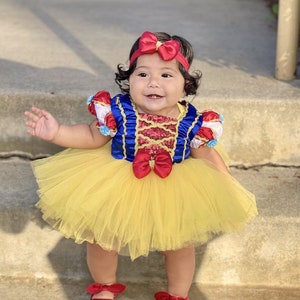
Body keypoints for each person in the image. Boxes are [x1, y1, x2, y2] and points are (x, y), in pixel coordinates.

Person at [25, 31, 257, 300]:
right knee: (102, 238)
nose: (153, 83)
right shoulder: (119, 110)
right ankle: (104, 287)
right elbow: (90, 137)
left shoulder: (193, 122)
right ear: (129, 79)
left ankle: (178, 294)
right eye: (143, 74)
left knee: (181, 244)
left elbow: (205, 155)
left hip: (174, 189)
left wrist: (226, 184)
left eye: (166, 75)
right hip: (118, 182)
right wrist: (56, 132)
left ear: (186, 85)